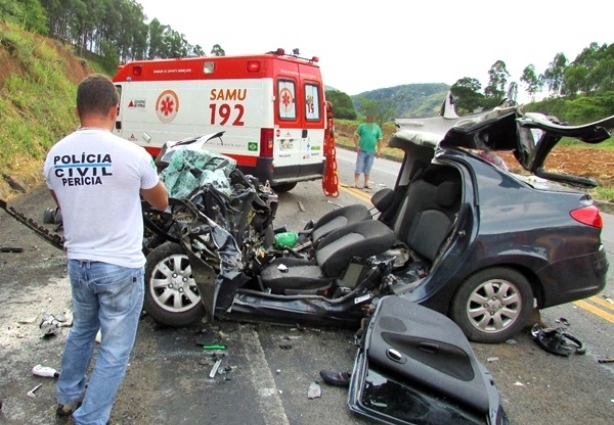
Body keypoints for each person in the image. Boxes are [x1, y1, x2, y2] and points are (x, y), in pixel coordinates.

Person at [43, 74, 168, 424]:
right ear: (116, 109)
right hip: (119, 267)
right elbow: (161, 202)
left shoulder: (55, 155)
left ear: (77, 109)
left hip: (78, 263)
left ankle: (68, 397)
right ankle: (91, 418)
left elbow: (63, 203)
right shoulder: (133, 155)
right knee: (114, 348)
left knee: (82, 329)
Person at [353, 114, 383, 188]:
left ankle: (366, 183)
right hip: (362, 150)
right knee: (359, 166)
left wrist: (379, 151)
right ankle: (355, 182)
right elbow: (355, 136)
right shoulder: (362, 126)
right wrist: (357, 146)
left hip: (371, 151)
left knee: (368, 167)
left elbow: (380, 140)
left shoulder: (377, 128)